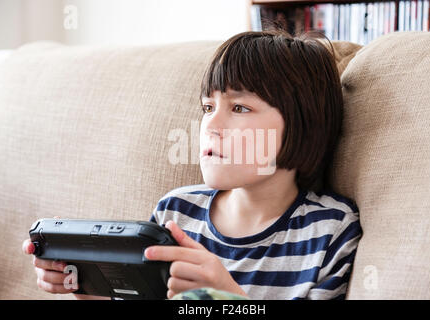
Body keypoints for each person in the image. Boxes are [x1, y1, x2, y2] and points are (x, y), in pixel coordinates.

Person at [23, 28, 362, 300]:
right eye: (207, 107)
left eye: (239, 108)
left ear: (303, 122)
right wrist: (89, 285)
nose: (211, 126)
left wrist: (228, 300)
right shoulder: (175, 213)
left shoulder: (330, 230)